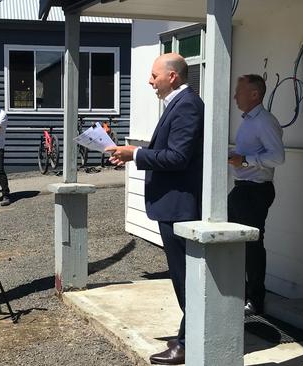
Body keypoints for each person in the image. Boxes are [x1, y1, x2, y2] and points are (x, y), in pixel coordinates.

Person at [106, 53, 203, 365]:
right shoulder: (179, 103)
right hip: (172, 206)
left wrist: (136, 153)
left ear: (172, 76)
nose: (150, 81)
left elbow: (177, 158)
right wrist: (134, 154)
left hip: (180, 207)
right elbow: (169, 152)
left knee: (186, 277)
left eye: (153, 75)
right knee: (180, 276)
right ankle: (190, 335)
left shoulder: (187, 104)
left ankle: (190, 342)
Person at [228, 74, 285, 316]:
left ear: (254, 95)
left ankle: (255, 300)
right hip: (242, 188)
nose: (234, 97)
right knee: (231, 242)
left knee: (252, 245)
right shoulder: (248, 121)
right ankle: (238, 294)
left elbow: (278, 157)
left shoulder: (264, 121)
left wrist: (246, 160)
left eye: (239, 92)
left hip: (255, 190)